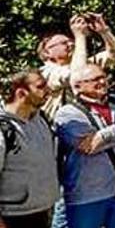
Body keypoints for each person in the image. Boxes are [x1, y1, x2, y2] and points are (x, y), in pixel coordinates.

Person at [55, 64, 115, 228]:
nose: (103, 81)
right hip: (87, 194)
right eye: (95, 79)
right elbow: (88, 147)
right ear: (78, 86)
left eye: (103, 77)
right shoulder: (68, 114)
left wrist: (103, 136)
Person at [0, 69, 58, 228]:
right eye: (41, 86)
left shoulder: (41, 119)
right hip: (13, 216)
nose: (49, 90)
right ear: (21, 93)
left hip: (42, 211)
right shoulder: (3, 129)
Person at [40, 14, 115, 120]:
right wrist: (80, 36)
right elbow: (78, 75)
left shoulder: (85, 63)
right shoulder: (46, 73)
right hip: (62, 128)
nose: (71, 44)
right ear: (47, 52)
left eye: (71, 41)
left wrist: (104, 31)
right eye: (64, 43)